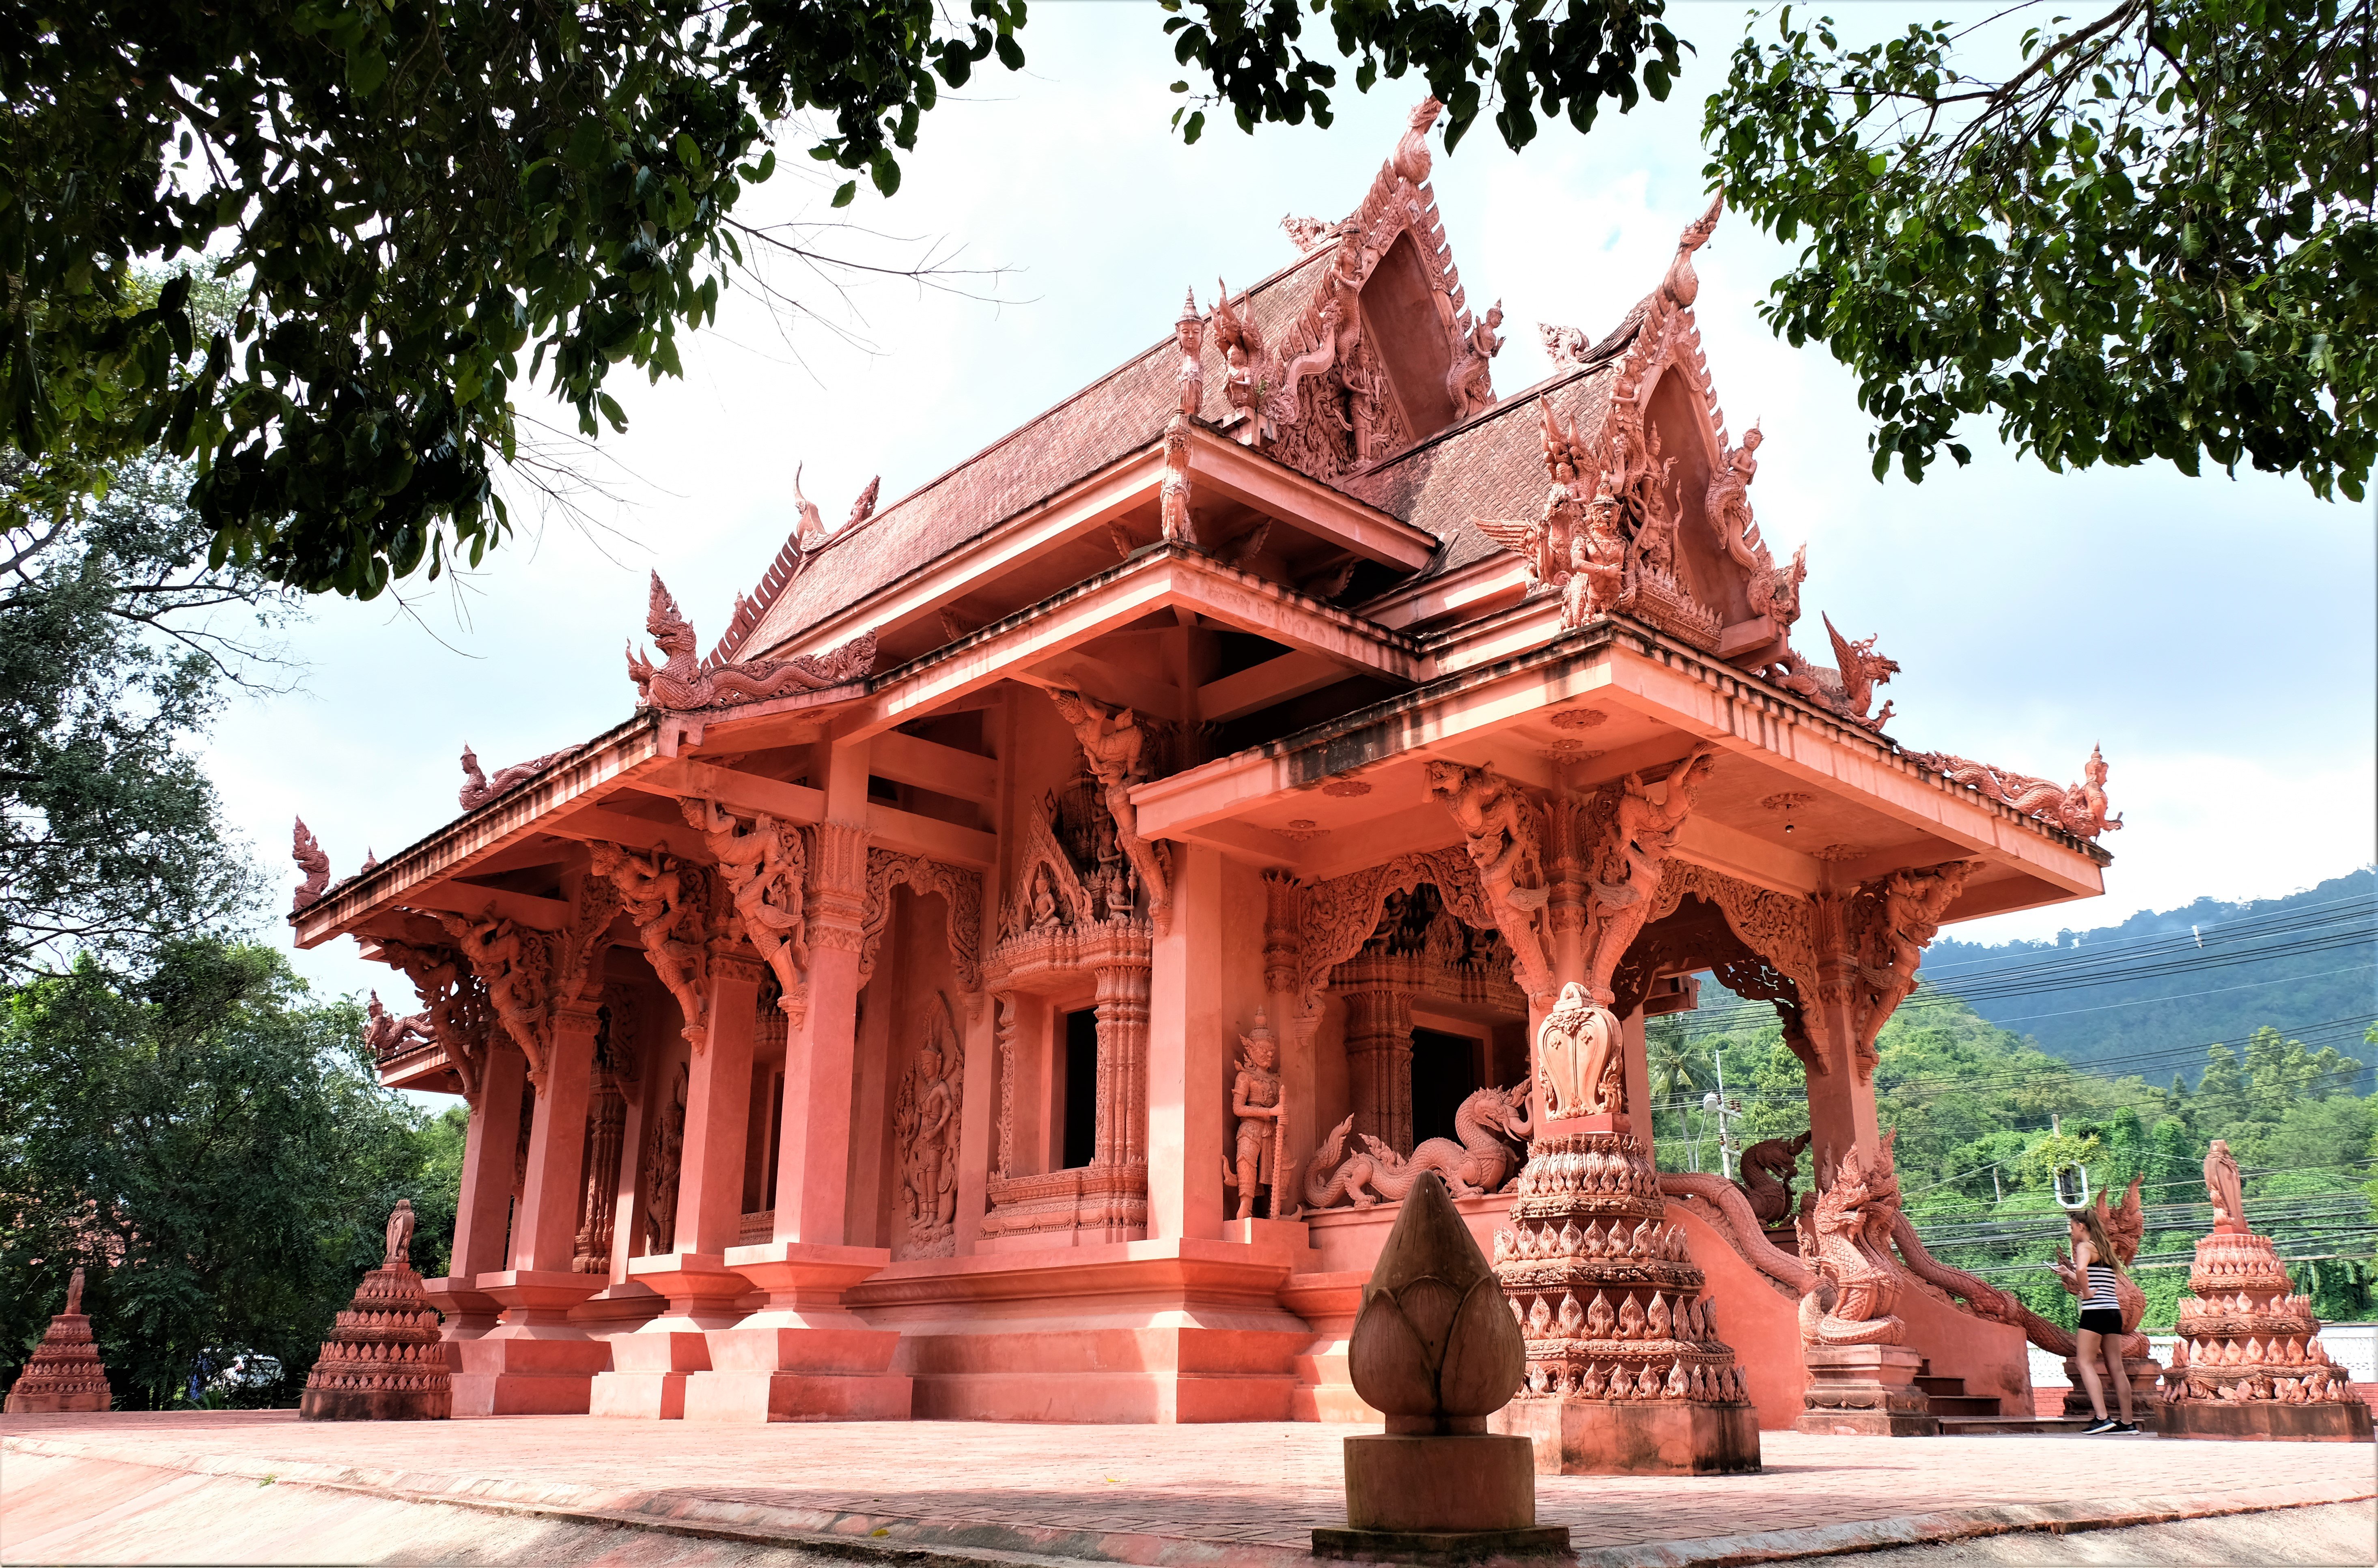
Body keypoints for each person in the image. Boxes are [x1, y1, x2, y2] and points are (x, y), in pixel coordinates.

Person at [2056, 1205, 2141, 1434]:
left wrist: (2085, 1291)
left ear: (2081, 1226)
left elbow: (2084, 1272)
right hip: (2113, 1312)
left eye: (2072, 1227)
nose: (2071, 1232)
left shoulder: (2084, 1246)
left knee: (2084, 1363)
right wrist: (2069, 1274)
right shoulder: (2104, 1249)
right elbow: (2092, 1277)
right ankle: (2128, 1423)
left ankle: (2103, 1418)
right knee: (2117, 1367)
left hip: (2095, 1312)